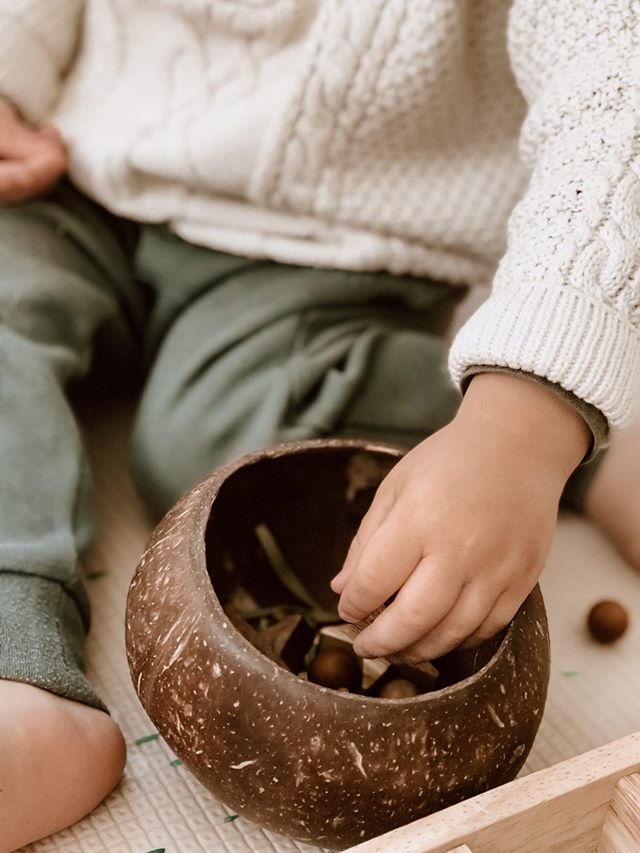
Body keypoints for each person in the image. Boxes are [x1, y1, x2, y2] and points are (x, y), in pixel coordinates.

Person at [1, 1, 639, 849]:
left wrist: (525, 423)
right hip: (75, 164)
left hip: (323, 245)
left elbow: (615, 90)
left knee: (222, 449)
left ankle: (568, 409)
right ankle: (16, 669)